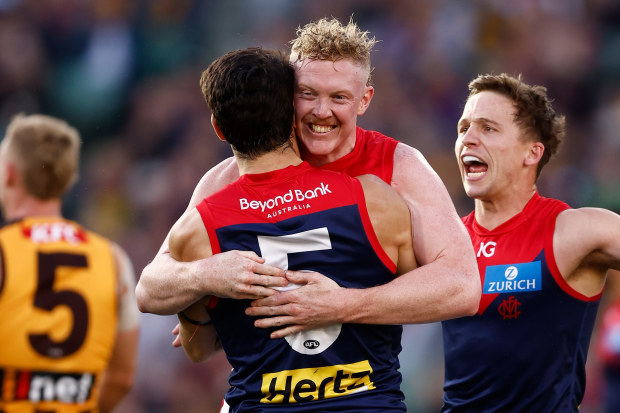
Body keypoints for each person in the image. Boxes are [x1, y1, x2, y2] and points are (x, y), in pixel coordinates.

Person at [136, 16, 479, 336]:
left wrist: (342, 305)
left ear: (364, 100)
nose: (321, 111)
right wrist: (204, 276)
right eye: (308, 94)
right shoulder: (228, 176)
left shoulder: (399, 166)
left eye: (339, 97)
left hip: (367, 374)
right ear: (288, 96)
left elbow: (463, 285)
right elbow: (154, 284)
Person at [173, 46, 416, 411]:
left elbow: (197, 348)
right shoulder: (375, 199)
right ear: (292, 116)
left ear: (218, 129)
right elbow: (416, 293)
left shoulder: (198, 229)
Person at [441, 73, 620, 412]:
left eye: (488, 128)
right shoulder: (445, 240)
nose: (468, 139)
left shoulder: (574, 232)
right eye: (464, 128)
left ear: (532, 152)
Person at [0, 114, 140, 412]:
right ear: (68, 178)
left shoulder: (4, 250)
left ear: (9, 174)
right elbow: (122, 378)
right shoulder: (112, 259)